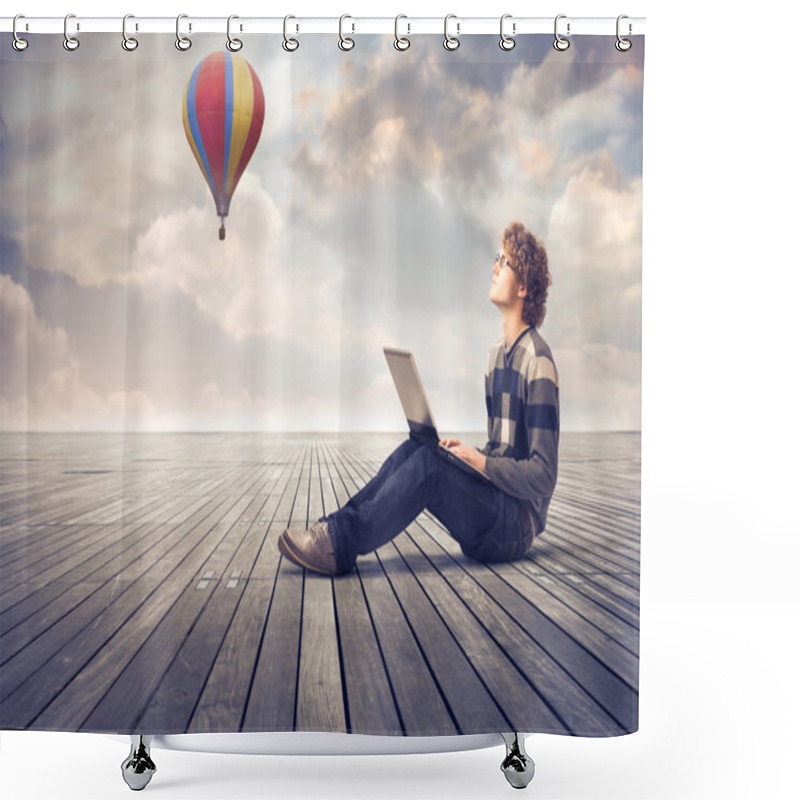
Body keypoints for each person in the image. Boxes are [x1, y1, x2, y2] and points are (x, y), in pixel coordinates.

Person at [278, 221, 559, 576]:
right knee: (420, 448)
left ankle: (339, 545)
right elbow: (507, 453)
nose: (493, 267)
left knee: (429, 468)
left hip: (514, 527)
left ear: (523, 286)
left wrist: (482, 463)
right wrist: (472, 457)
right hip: (495, 507)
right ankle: (332, 532)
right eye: (496, 258)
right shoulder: (494, 357)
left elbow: (544, 474)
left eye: (503, 262)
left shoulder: (538, 361)